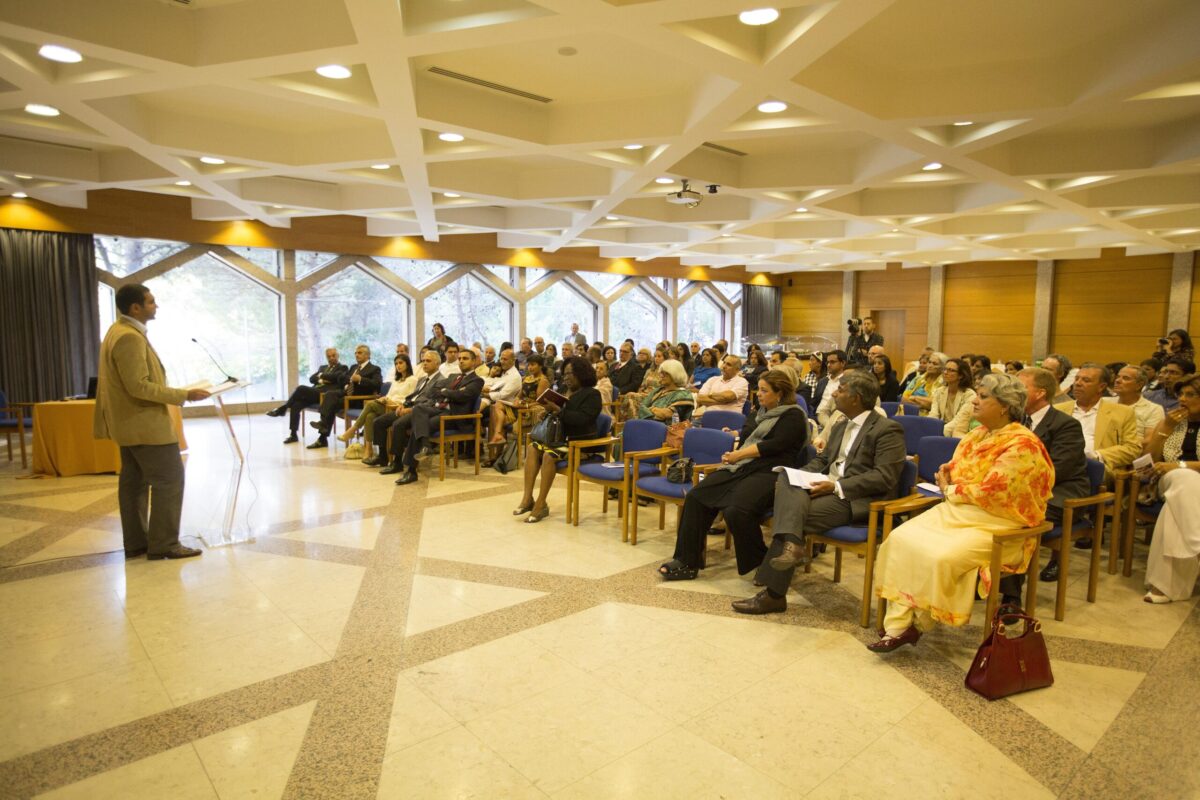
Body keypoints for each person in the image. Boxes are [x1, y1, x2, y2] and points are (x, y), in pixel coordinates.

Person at [869, 373, 1055, 652]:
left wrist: (950, 488)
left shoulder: (1023, 445)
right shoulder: (976, 434)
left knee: (940, 557)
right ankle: (901, 624)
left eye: (983, 397)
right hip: (956, 513)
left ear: (1004, 406)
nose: (975, 401)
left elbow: (993, 490)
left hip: (1000, 526)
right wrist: (947, 477)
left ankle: (913, 624)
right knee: (899, 540)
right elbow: (955, 470)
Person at [734, 371, 906, 614]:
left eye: (841, 389)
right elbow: (822, 460)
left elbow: (884, 477)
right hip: (825, 488)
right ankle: (793, 548)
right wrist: (801, 475)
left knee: (792, 516)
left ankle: (774, 594)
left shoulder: (887, 429)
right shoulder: (840, 424)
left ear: (856, 398)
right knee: (785, 478)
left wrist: (837, 486)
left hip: (856, 498)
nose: (834, 393)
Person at [94, 283, 211, 560]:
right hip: (144, 425)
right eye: (151, 302)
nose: (155, 306)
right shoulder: (129, 337)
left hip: (130, 425)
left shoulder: (117, 330)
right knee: (169, 480)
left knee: (133, 485)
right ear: (135, 307)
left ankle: (137, 543)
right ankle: (165, 544)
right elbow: (138, 387)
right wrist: (184, 394)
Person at [660, 370, 809, 580]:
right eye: (759, 389)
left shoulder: (792, 414)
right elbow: (747, 435)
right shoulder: (759, 412)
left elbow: (774, 446)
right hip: (745, 466)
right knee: (696, 497)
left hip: (773, 471)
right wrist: (736, 450)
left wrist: (739, 454)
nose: (759, 394)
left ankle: (762, 563)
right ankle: (686, 561)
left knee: (736, 510)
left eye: (765, 390)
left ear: (780, 393)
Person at [1011, 368, 1090, 586]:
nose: (1014, 393)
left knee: (1013, 519)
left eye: (1021, 388)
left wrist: (1013, 484)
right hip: (1023, 487)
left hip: (1061, 491)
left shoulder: (1065, 425)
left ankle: (1011, 591)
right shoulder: (1016, 421)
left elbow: (1056, 470)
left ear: (1040, 393)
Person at [513, 356, 602, 523]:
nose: (566, 377)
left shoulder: (592, 394)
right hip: (559, 440)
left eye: (570, 374)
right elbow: (557, 414)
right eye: (564, 374)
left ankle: (541, 504)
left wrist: (559, 411)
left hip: (579, 444)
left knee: (549, 455)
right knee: (533, 447)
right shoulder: (563, 390)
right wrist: (545, 412)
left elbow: (584, 419)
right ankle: (527, 498)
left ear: (582, 373)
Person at [1142, 373, 1200, 603]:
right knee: (1184, 480)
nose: (1183, 399)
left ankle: (1165, 588)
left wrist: (1179, 464)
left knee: (1173, 512)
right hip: (1167, 481)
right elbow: (1147, 461)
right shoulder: (1171, 421)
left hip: (1181, 491)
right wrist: (1166, 427)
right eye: (1181, 394)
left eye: (1190, 394)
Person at [396, 349, 484, 485]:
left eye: (465, 358)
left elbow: (463, 396)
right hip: (439, 408)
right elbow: (435, 392)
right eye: (460, 358)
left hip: (455, 417)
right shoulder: (454, 377)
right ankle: (426, 446)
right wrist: (449, 392)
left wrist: (447, 391)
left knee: (418, 426)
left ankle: (411, 471)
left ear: (474, 362)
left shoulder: (477, 380)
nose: (461, 361)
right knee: (418, 409)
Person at [365, 350, 442, 469]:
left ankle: (397, 462)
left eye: (428, 361)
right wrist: (404, 404)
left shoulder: (441, 380)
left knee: (398, 424)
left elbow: (432, 402)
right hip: (410, 408)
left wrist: (411, 409)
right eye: (423, 361)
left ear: (437, 363)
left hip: (421, 412)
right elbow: (413, 397)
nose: (424, 363)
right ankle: (382, 457)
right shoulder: (422, 379)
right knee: (378, 422)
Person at [267, 347, 349, 444]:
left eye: (333, 355)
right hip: (314, 392)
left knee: (301, 388)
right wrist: (322, 379)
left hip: (324, 395)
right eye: (329, 356)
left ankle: (284, 408)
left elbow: (335, 377)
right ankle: (293, 434)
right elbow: (311, 379)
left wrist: (321, 375)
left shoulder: (343, 367)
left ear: (338, 355)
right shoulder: (323, 367)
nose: (331, 358)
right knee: (296, 404)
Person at [309, 344, 382, 449]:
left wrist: (361, 379)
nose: (357, 355)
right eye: (356, 353)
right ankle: (323, 426)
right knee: (330, 394)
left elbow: (377, 384)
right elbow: (343, 378)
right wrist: (345, 382)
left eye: (360, 352)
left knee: (332, 404)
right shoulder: (353, 367)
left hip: (357, 398)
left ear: (368, 355)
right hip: (346, 393)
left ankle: (322, 436)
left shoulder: (374, 369)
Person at [338, 354, 416, 446]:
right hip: (387, 405)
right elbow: (389, 395)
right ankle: (368, 449)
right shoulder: (396, 380)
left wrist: (392, 402)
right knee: (370, 416)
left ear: (407, 364)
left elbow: (410, 399)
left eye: (400, 363)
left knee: (370, 404)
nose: (398, 365)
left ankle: (353, 430)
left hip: (397, 408)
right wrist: (384, 398)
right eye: (396, 363)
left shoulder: (413, 380)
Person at [1106, 364, 1164, 446]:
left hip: (1132, 453)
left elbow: (1149, 440)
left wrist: (1121, 448)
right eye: (1118, 377)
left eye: (1125, 378)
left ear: (1139, 385)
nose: (1117, 380)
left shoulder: (1153, 409)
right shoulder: (1104, 402)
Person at [928, 357, 976, 437]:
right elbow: (933, 415)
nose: (946, 372)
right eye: (945, 369)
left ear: (960, 375)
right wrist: (930, 428)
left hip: (958, 434)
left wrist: (937, 433)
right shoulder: (939, 391)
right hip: (939, 431)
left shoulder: (970, 395)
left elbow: (958, 421)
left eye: (951, 370)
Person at [483, 348, 522, 445]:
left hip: (510, 408)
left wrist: (484, 394)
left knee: (488, 408)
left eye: (505, 359)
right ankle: (495, 451)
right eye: (501, 359)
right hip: (499, 403)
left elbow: (502, 395)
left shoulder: (514, 376)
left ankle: (492, 440)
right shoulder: (504, 372)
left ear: (513, 360)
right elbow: (496, 386)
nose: (502, 362)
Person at [813, 349, 847, 427]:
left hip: (835, 418)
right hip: (817, 417)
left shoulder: (846, 381)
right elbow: (814, 403)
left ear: (843, 363)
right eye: (827, 362)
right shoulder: (823, 381)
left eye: (832, 362)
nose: (828, 365)